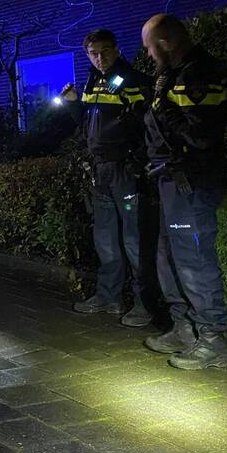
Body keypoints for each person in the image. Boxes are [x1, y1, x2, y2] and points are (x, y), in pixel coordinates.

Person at [140, 14, 227, 370]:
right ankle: (184, 327)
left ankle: (212, 340)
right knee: (168, 256)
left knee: (194, 260)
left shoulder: (199, 74)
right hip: (171, 183)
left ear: (166, 42)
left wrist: (166, 113)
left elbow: (202, 136)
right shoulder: (174, 74)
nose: (147, 54)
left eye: (149, 46)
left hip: (191, 183)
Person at [61, 29, 154, 326]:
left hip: (124, 170)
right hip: (101, 169)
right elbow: (88, 121)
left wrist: (137, 162)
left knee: (133, 240)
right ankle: (108, 297)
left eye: (104, 51)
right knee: (106, 240)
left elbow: (149, 125)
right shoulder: (93, 79)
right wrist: (75, 103)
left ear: (116, 49)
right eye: (93, 53)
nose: (99, 58)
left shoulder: (131, 79)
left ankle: (145, 304)